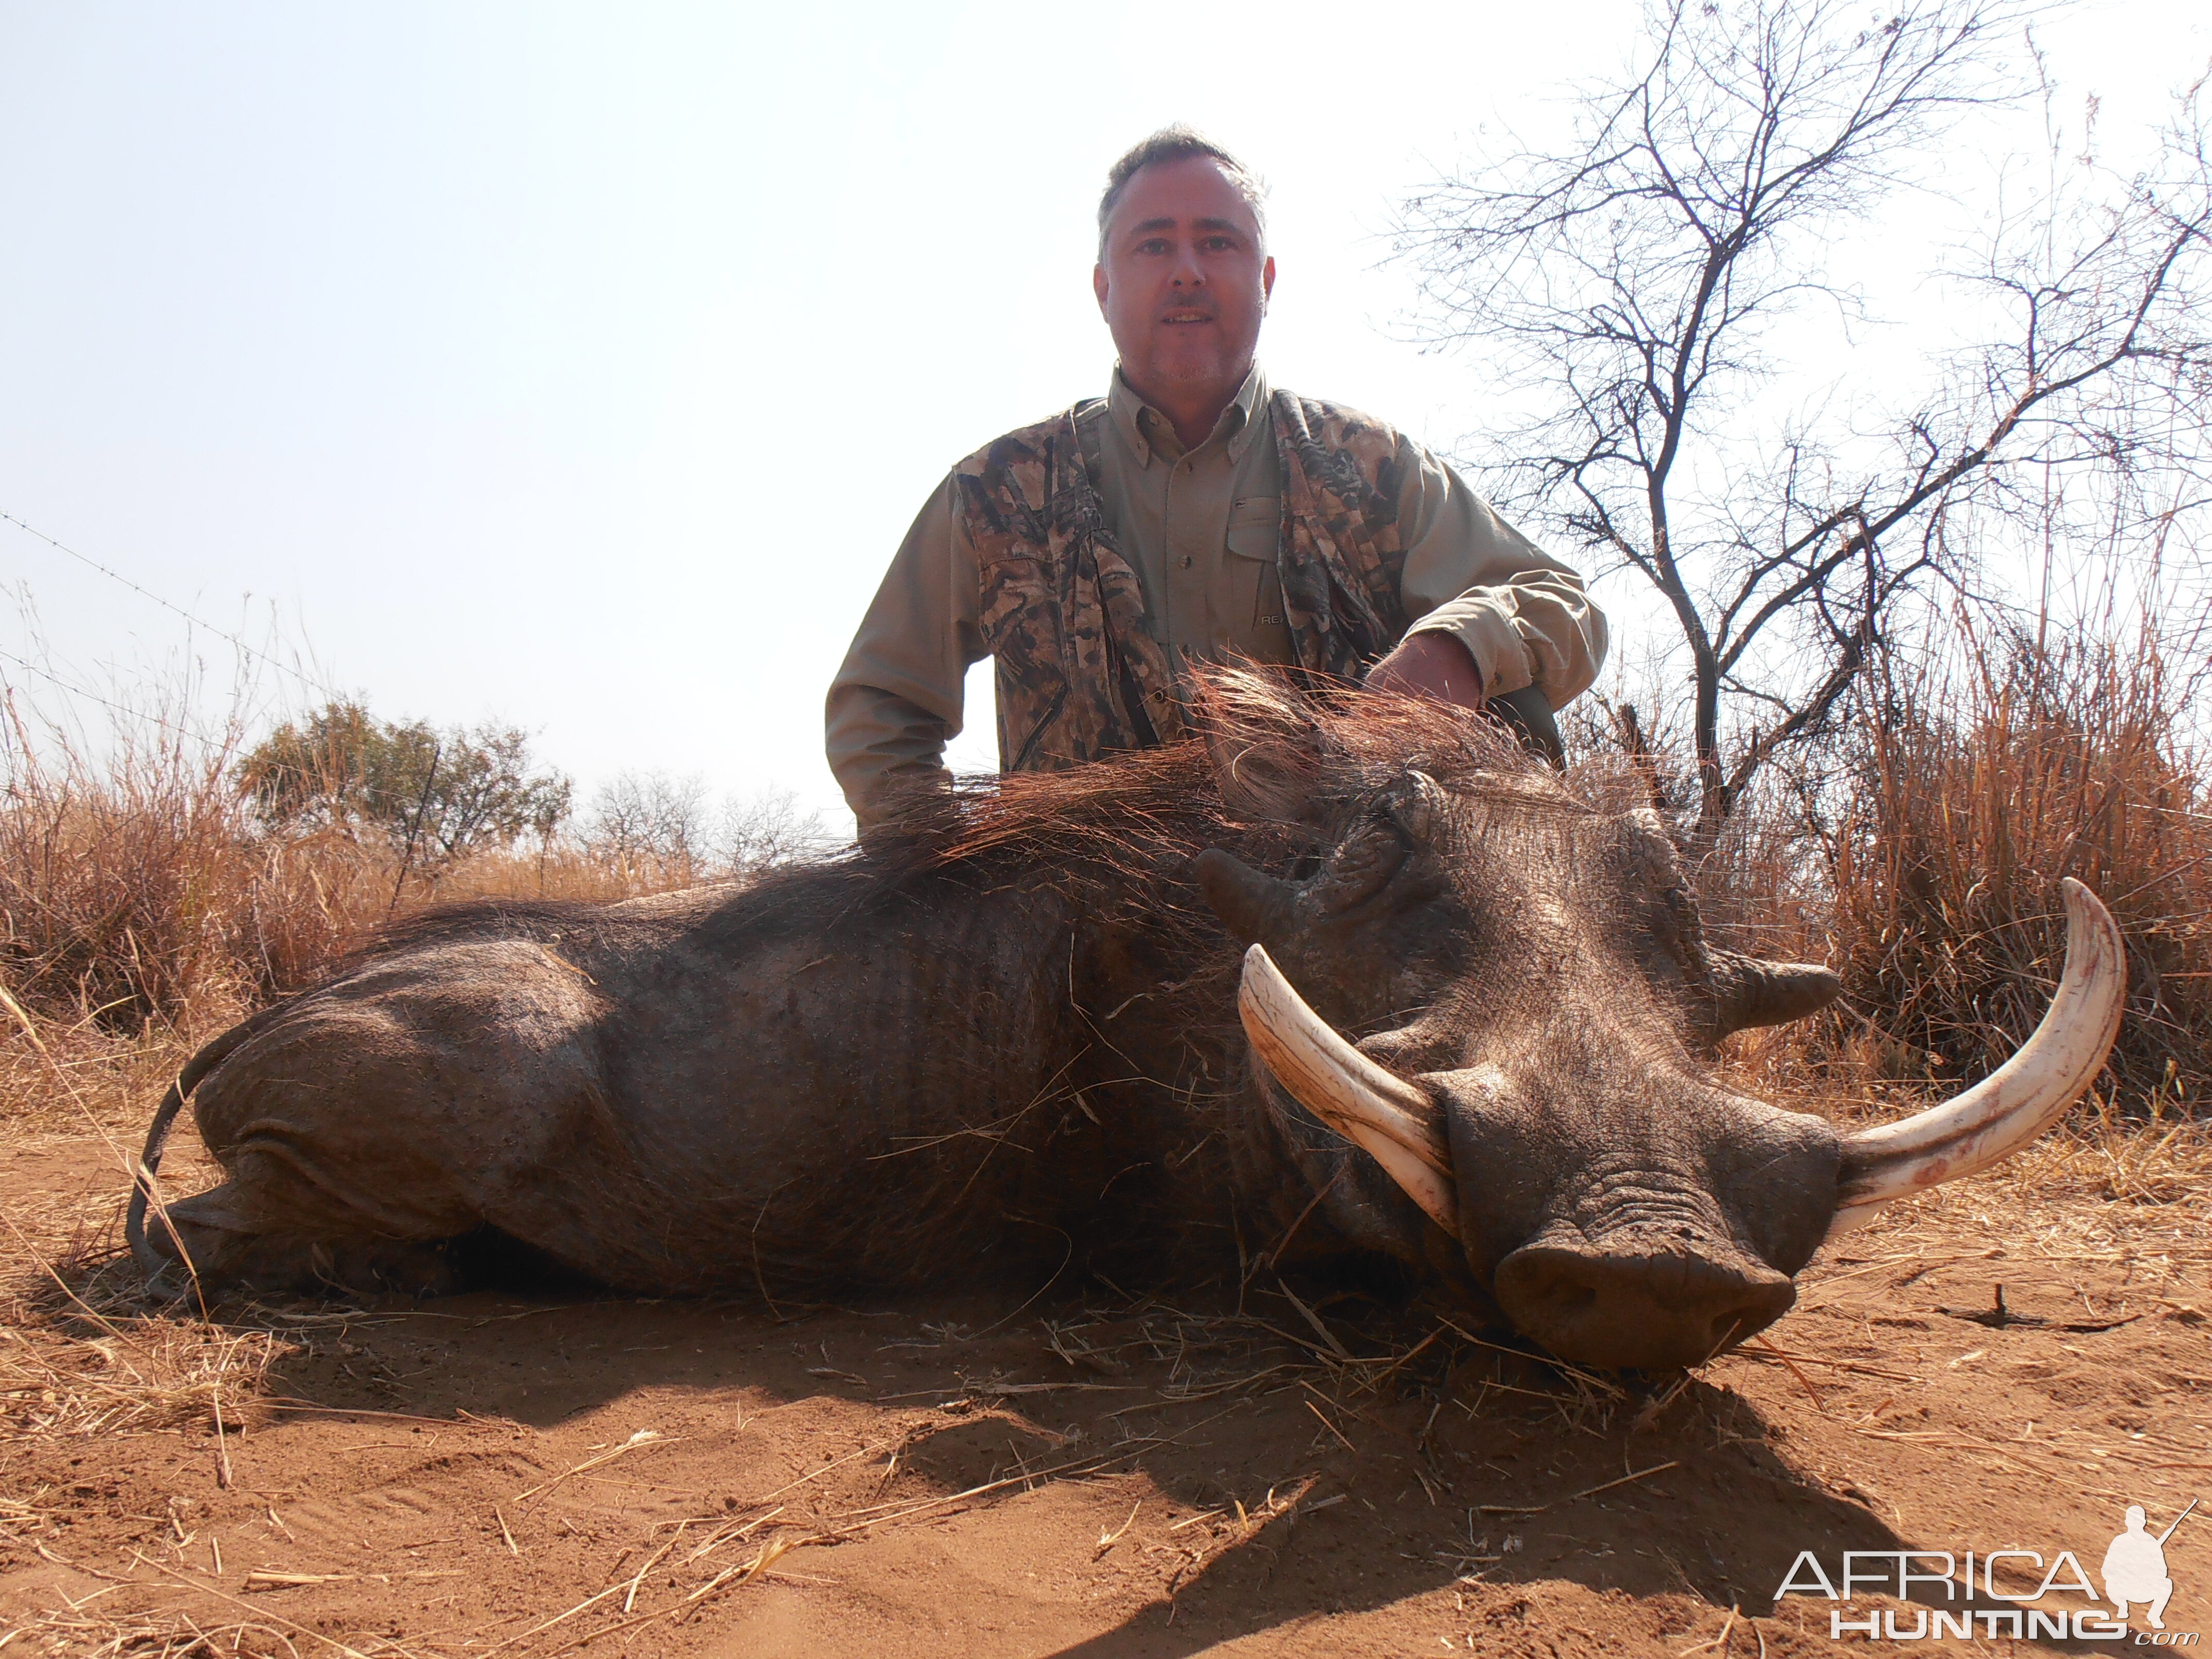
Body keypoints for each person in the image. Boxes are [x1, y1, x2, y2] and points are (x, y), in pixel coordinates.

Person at [826, 126, 1609, 829]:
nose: (1188, 273)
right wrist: (958, 885)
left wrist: (1457, 651)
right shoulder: (995, 492)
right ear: (1103, 288)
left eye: (1219, 243)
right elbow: (878, 708)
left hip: (1342, 930)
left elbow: (1565, 607)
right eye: (1154, 246)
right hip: (1072, 951)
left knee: (1519, 712)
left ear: (1266, 279)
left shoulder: (1375, 467)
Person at [2102, 1505, 2175, 1629]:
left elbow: (2162, 1571)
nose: (2135, 1524)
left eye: (2138, 1521)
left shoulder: (2151, 1543)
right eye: (2132, 1521)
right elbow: (2107, 1569)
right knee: (2112, 1583)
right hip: (2121, 1588)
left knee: (2167, 1584)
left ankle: (2154, 1616)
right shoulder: (2120, 1541)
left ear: (2144, 1522)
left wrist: (2146, 1569)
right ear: (2127, 1522)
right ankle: (2122, 1607)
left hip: (2142, 1587)